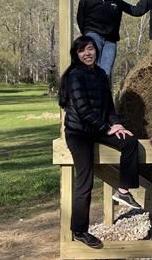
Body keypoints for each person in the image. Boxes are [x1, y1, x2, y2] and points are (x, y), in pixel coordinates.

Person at [58, 36, 143, 248]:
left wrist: (118, 125)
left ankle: (123, 191)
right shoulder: (75, 76)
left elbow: (109, 109)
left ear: (96, 51)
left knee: (130, 142)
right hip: (79, 133)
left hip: (99, 128)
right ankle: (79, 230)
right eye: (82, 51)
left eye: (90, 49)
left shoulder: (101, 75)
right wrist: (107, 127)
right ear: (76, 55)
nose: (87, 53)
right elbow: (83, 110)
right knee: (85, 180)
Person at [75, 0, 136, 84]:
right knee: (93, 67)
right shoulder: (86, 0)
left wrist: (149, 6)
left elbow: (131, 9)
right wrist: (88, 35)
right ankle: (90, 96)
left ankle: (101, 98)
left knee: (105, 71)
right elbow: (80, 20)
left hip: (110, 39)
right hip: (94, 35)